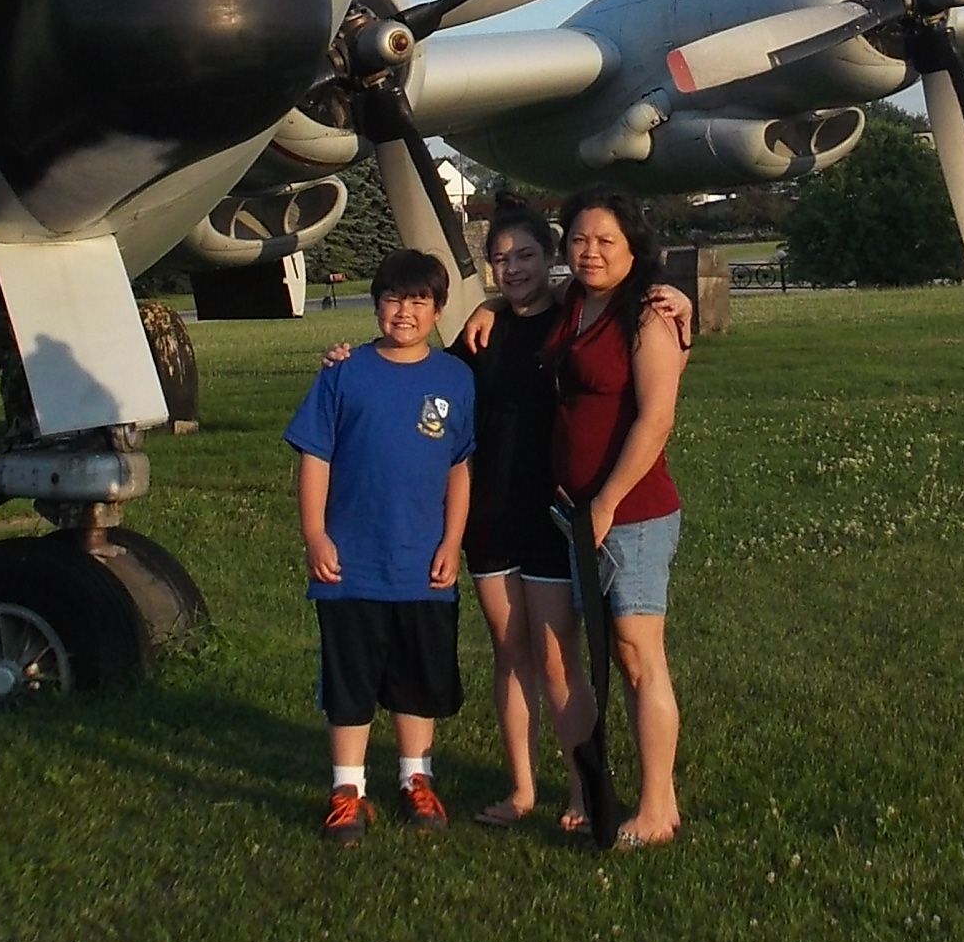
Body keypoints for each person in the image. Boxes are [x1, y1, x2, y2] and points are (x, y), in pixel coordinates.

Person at [467, 187, 690, 847]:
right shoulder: (578, 304)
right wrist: (485, 303)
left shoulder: (646, 313)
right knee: (618, 656)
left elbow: (657, 419)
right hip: (578, 514)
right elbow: (523, 296)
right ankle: (657, 797)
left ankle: (653, 812)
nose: (590, 251)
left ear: (632, 247)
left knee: (638, 654)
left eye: (605, 241)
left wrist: (608, 501)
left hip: (630, 513)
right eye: (581, 240)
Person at [284, 246, 475, 843]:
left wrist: (452, 540)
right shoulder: (343, 373)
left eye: (420, 301)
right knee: (352, 678)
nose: (405, 312)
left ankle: (416, 779)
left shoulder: (454, 377)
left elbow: (460, 467)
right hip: (352, 565)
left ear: (439, 309)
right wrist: (315, 533)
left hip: (422, 564)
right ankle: (348, 789)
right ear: (375, 305)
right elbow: (315, 457)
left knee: (416, 677)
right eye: (393, 299)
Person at [455, 201, 573, 829]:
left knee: (557, 660)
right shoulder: (480, 334)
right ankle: (523, 789)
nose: (514, 268)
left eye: (525, 255)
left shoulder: (574, 320)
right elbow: (429, 388)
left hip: (553, 516)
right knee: (510, 653)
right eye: (501, 260)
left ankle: (582, 790)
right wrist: (347, 363)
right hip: (491, 517)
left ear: (550, 257)